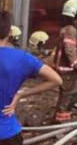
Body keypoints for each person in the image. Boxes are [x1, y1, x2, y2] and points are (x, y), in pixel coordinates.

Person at [1, 11, 63, 145]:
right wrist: (21, 94)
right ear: (9, 32)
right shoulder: (23, 58)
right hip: (7, 133)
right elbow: (56, 80)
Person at [52, 0, 77, 122]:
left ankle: (65, 116)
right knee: (67, 95)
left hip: (73, 70)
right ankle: (59, 120)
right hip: (67, 70)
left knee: (74, 94)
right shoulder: (69, 30)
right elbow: (69, 50)